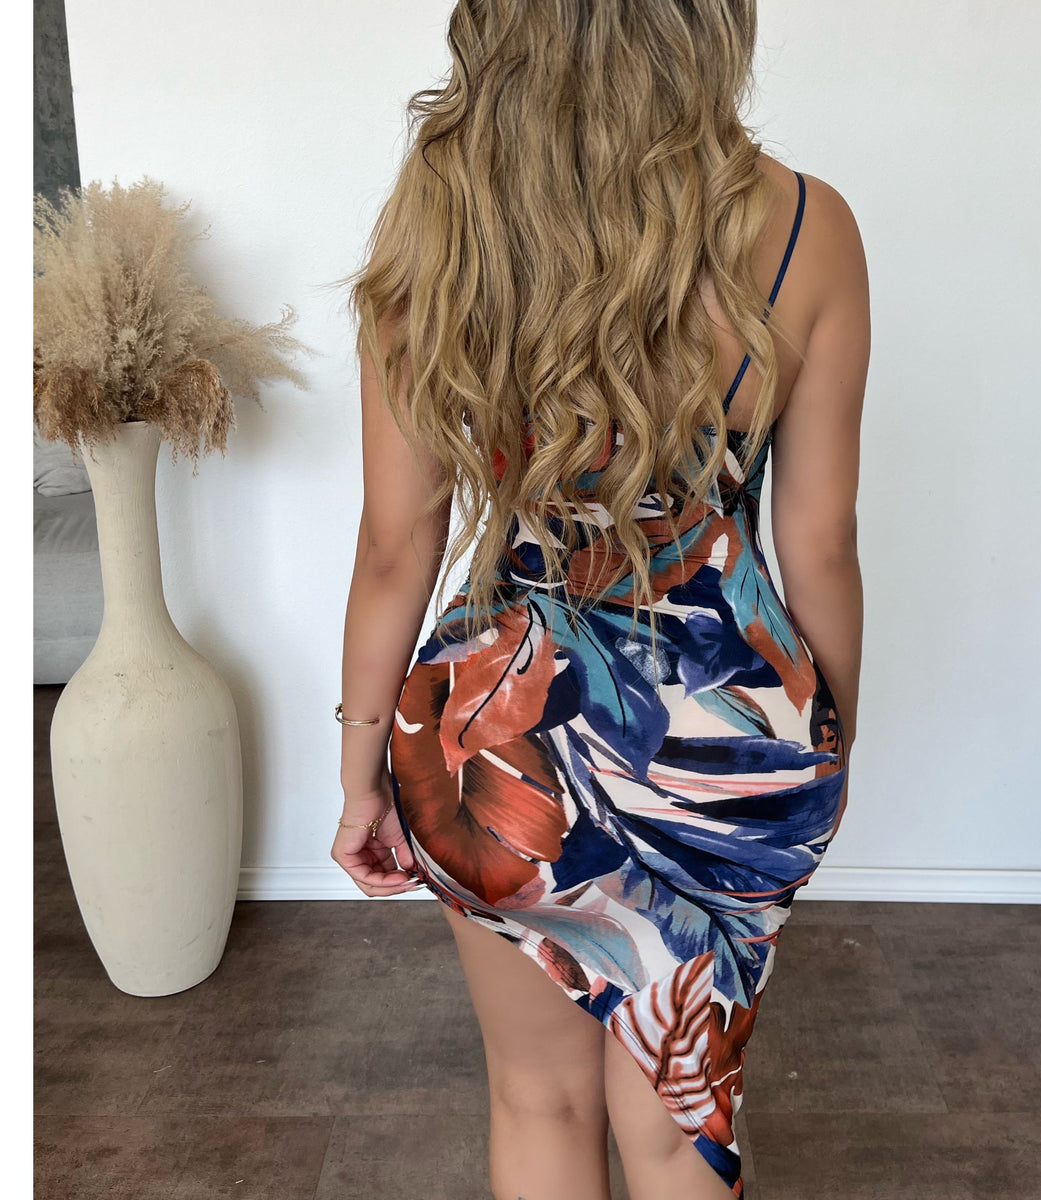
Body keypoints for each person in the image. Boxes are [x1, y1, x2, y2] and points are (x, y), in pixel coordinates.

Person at [331, 3, 869, 1198]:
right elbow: (820, 542)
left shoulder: (439, 216)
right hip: (731, 732)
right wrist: (826, 743)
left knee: (539, 1095)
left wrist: (363, 770)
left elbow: (393, 545)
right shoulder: (805, 225)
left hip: (496, 739)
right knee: (680, 1123)